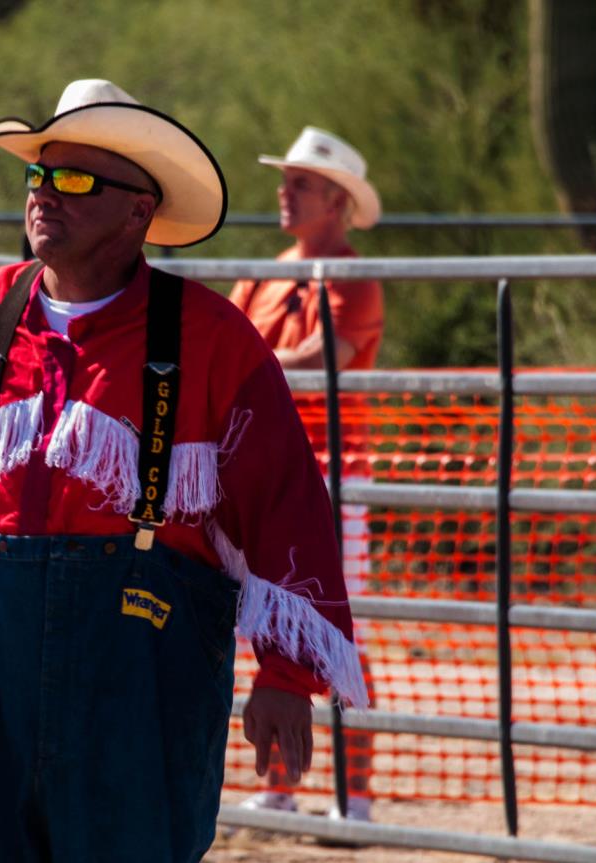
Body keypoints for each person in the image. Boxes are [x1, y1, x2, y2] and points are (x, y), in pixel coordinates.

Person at [0, 79, 367, 862]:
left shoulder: (212, 339)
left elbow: (286, 507)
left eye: (73, 179)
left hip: (138, 690)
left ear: (139, 209)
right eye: (38, 174)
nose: (43, 194)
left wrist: (284, 674)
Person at [229, 126, 384, 822]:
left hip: (330, 478)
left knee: (333, 632)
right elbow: (227, 346)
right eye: (285, 181)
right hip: (262, 477)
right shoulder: (264, 272)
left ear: (336, 202)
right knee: (266, 627)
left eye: (299, 184)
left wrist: (250, 368)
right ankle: (282, 784)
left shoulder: (352, 276)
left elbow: (329, 352)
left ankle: (354, 796)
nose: (283, 194)